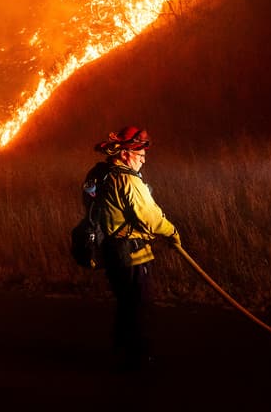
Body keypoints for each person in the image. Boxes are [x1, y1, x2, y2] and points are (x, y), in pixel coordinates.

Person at [84, 125, 180, 371]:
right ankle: (140, 359)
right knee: (139, 305)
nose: (143, 161)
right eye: (140, 156)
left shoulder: (99, 174)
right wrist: (171, 232)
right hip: (132, 254)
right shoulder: (127, 180)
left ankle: (121, 351)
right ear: (125, 154)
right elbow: (149, 216)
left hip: (110, 251)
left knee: (125, 303)